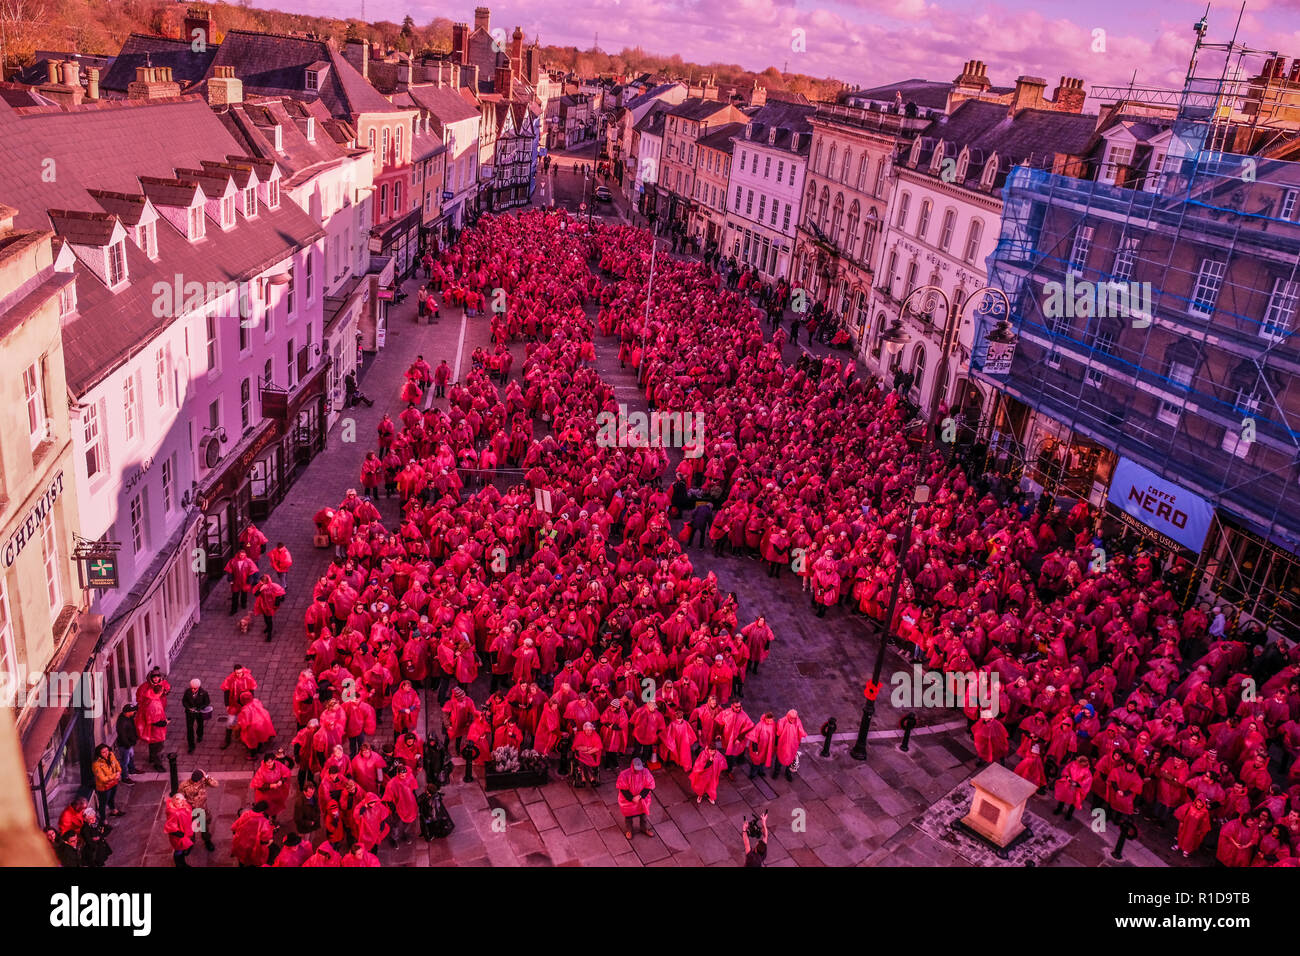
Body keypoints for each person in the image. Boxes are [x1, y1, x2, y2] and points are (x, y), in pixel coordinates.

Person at [616, 757, 656, 839]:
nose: (638, 771)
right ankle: (629, 830)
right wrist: (631, 798)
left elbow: (649, 786)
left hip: (642, 800)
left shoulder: (645, 772)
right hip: (629, 801)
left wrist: (640, 796)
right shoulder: (624, 774)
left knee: (643, 815)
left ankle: (644, 828)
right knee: (628, 817)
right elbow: (623, 789)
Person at [179, 769, 218, 851]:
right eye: (195, 781)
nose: (196, 783)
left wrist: (206, 776)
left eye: (198, 781)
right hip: (191, 811)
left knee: (204, 828)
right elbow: (180, 799)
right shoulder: (184, 786)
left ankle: (207, 841)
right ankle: (190, 843)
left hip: (202, 810)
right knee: (190, 830)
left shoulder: (204, 781)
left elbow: (215, 784)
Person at [690, 739, 727, 805]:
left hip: (712, 775)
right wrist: (709, 761)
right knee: (701, 786)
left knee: (711, 787)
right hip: (704, 775)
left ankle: (710, 797)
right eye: (711, 751)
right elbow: (701, 766)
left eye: (713, 751)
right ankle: (700, 796)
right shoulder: (703, 755)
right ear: (708, 749)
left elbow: (722, 762)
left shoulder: (717, 755)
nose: (712, 753)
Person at [91, 744, 124, 818]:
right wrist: (115, 775)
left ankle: (113, 810)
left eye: (107, 751)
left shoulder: (111, 755)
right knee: (103, 803)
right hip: (104, 787)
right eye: (103, 752)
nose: (106, 753)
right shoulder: (96, 764)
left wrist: (119, 771)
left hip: (114, 782)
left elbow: (116, 764)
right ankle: (103, 820)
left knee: (112, 797)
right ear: (99, 754)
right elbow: (102, 778)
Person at [164, 791, 195, 867]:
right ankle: (180, 864)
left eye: (183, 801)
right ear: (175, 802)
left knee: (181, 849)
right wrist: (181, 835)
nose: (183, 803)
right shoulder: (174, 813)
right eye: (180, 802)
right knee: (178, 851)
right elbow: (170, 828)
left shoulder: (184, 806)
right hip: (179, 837)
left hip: (186, 831)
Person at [182, 678, 212, 753]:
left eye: (194, 689)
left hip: (199, 712)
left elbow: (207, 702)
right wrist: (188, 708)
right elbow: (184, 701)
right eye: (191, 688)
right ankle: (191, 745)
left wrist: (199, 708)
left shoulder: (204, 693)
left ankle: (199, 735)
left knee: (200, 724)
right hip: (190, 713)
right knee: (189, 729)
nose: (193, 690)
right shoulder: (187, 692)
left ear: (198, 687)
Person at [254, 576, 287, 642]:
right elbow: (255, 594)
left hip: (270, 605)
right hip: (263, 604)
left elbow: (280, 592)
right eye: (261, 581)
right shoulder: (260, 586)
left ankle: (269, 634)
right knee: (265, 617)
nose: (261, 582)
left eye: (263, 581)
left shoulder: (273, 586)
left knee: (269, 619)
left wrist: (277, 601)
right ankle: (267, 627)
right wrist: (260, 589)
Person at [225, 549, 257, 616]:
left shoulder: (249, 561)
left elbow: (252, 571)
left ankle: (243, 603)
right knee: (235, 596)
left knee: (244, 593)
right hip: (236, 581)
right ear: (238, 554)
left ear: (245, 555)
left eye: (243, 555)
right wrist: (230, 579)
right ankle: (234, 609)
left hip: (245, 581)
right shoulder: (233, 561)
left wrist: (250, 580)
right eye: (241, 555)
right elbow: (229, 571)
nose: (242, 556)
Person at [114, 703, 138, 783]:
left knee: (131, 757)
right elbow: (122, 735)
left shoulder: (128, 717)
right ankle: (125, 777)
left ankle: (132, 769)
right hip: (125, 745)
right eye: (132, 711)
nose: (134, 711)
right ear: (127, 712)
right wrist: (127, 744)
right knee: (125, 761)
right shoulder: (122, 722)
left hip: (129, 743)